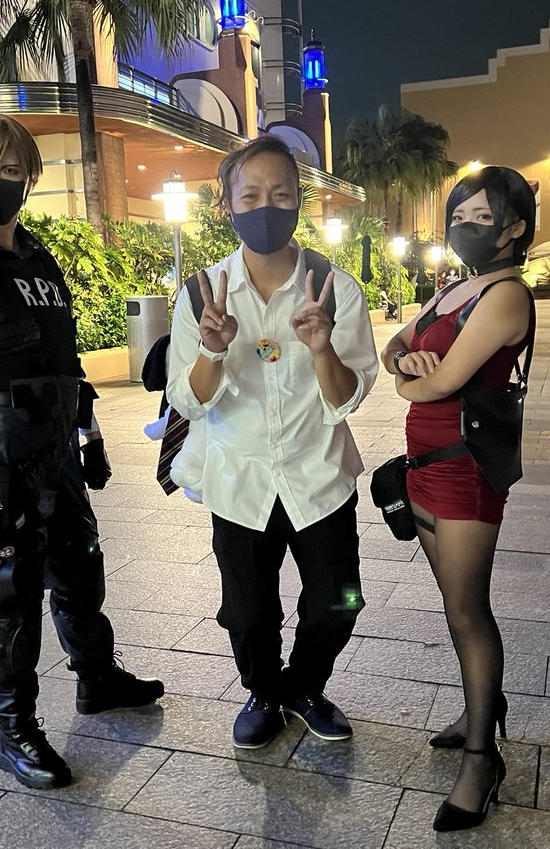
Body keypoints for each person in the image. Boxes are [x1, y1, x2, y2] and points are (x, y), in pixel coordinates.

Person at [0, 113, 163, 790]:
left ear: (30, 177)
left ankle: (97, 679)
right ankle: (13, 731)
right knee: (11, 593)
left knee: (80, 569)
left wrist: (90, 437)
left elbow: (66, 363)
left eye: (12, 169)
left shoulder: (40, 259)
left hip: (55, 444)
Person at [165, 136, 378, 750]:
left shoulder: (333, 288)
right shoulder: (202, 294)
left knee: (339, 600)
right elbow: (188, 400)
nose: (266, 207)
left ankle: (305, 688)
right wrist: (211, 349)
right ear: (227, 205)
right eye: (251, 195)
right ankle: (262, 691)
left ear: (299, 202)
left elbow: (346, 400)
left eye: (281, 195)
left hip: (319, 475)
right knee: (248, 611)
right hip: (240, 479)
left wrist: (322, 349)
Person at [379, 166, 536, 832]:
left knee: (468, 609)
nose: (465, 227)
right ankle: (481, 707)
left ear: (515, 227)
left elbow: (438, 385)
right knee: (453, 603)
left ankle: (482, 758)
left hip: (466, 469)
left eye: (482, 217)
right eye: (459, 215)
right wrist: (405, 364)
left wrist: (408, 378)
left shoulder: (505, 295)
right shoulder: (452, 289)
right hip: (422, 463)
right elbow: (395, 347)